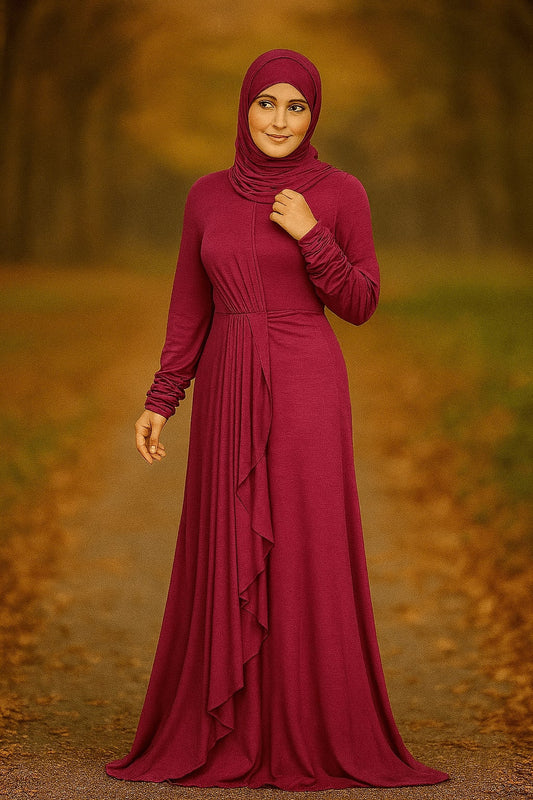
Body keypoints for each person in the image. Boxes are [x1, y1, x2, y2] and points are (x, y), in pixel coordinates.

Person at [106, 49, 449, 791]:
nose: (280, 120)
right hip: (228, 380)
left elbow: (360, 302)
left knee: (301, 546)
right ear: (244, 108)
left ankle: (307, 722)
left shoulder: (340, 192)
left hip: (305, 384)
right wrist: (161, 399)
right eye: (267, 103)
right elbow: (188, 306)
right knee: (225, 542)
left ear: (313, 114)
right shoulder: (204, 196)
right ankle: (226, 725)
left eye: (296, 106)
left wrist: (309, 233)